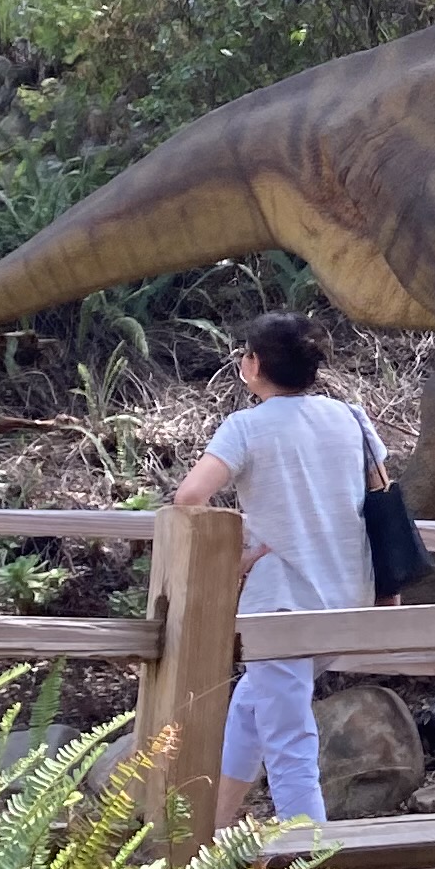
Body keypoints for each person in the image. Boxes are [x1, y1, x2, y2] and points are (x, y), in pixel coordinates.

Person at [171, 310, 393, 828]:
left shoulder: (247, 427)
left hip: (283, 606)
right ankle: (213, 831)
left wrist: (239, 557)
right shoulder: (350, 418)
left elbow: (190, 497)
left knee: (290, 745)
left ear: (253, 364)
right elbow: (381, 495)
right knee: (252, 707)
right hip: (346, 597)